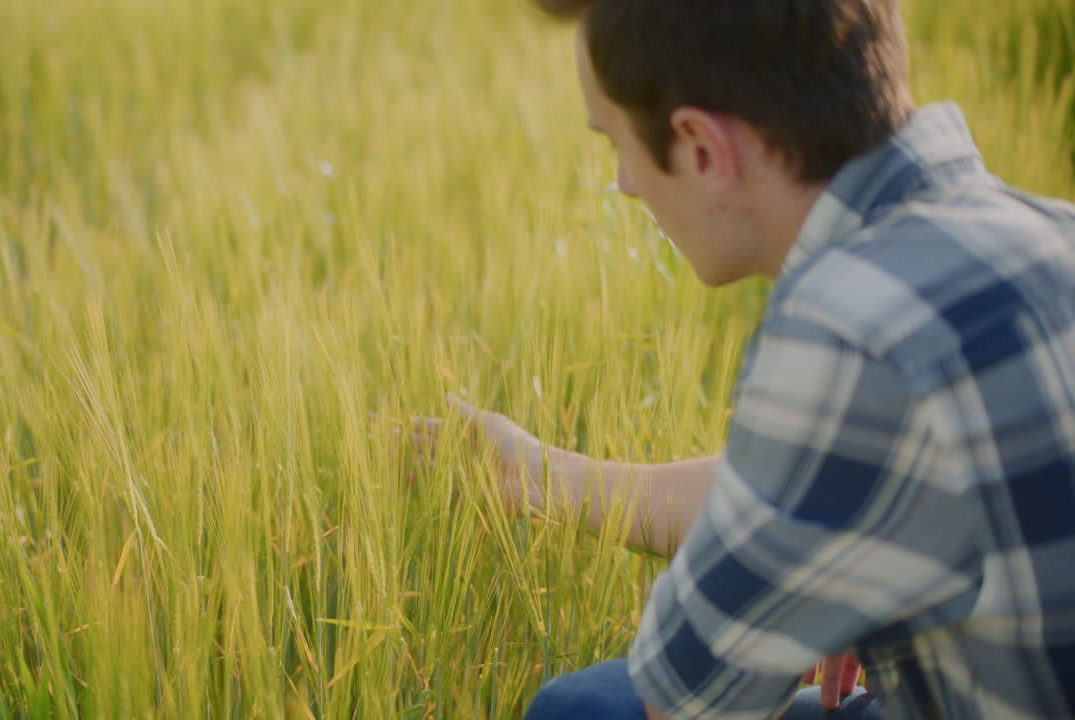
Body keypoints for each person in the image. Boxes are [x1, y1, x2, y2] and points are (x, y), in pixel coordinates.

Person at [407, 0, 1075, 718]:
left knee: (588, 711)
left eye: (617, 148)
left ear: (700, 147)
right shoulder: (1045, 229)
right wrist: (540, 475)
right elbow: (795, 487)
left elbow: (685, 701)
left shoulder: (849, 328)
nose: (626, 184)